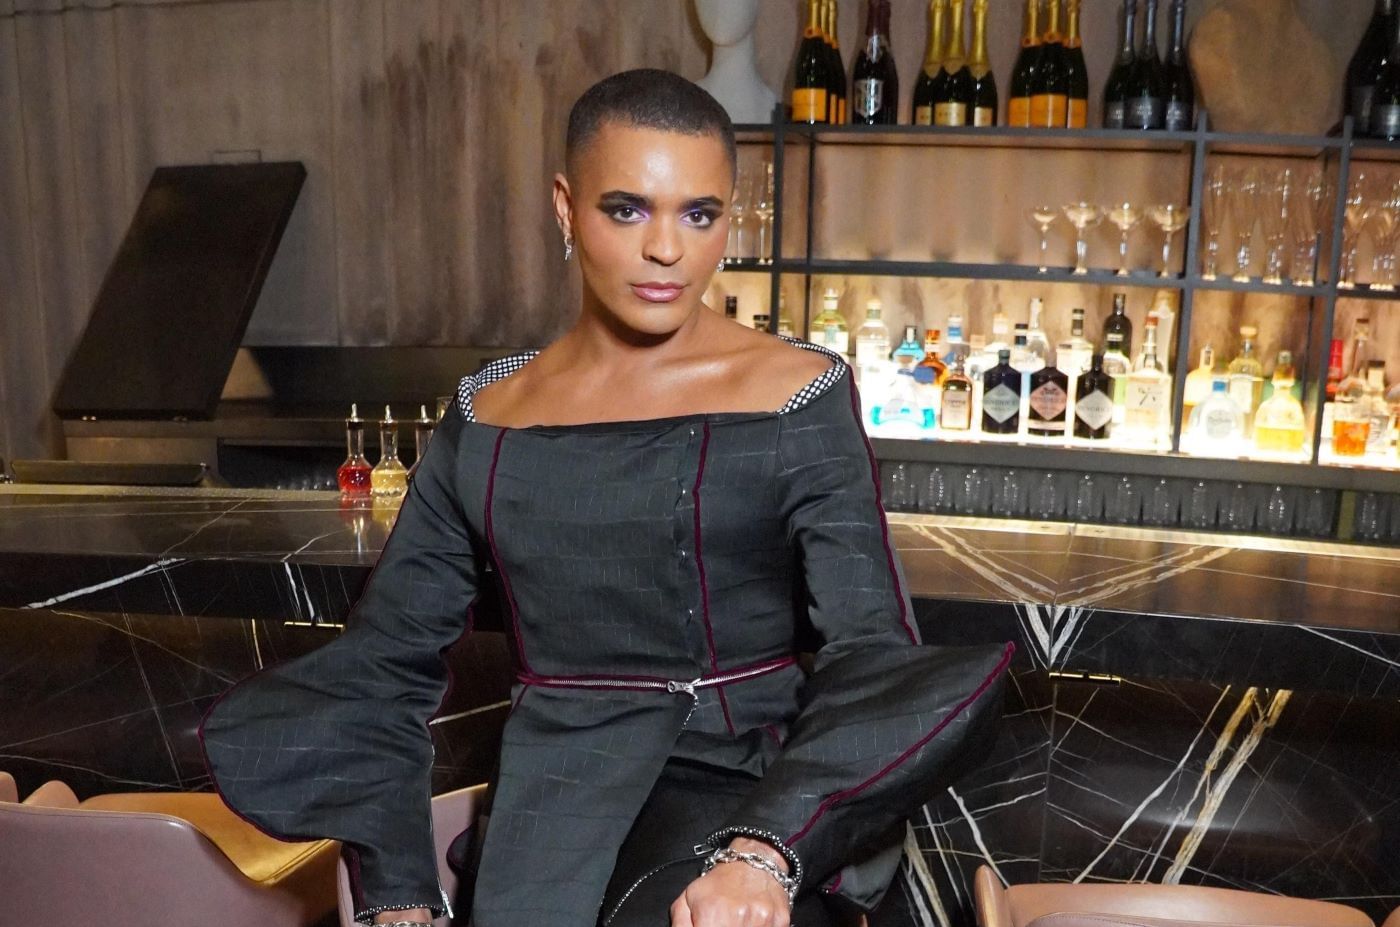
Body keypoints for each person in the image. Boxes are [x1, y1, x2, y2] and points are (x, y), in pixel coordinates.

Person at [199, 69, 1013, 927]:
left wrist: (769, 851)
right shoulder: (487, 411)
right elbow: (386, 661)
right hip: (546, 817)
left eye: (699, 214)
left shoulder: (798, 393)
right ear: (565, 207)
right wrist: (398, 894)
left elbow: (871, 651)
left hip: (743, 804)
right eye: (627, 209)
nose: (667, 249)